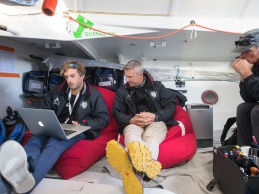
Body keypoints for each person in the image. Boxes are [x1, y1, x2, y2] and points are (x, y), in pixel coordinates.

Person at [0, 60, 109, 193]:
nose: (69, 80)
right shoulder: (56, 91)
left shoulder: (94, 95)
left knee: (54, 144)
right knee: (35, 140)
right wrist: (41, 120)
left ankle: (27, 185)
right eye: (66, 77)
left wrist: (84, 124)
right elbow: (43, 110)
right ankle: (25, 166)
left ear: (82, 75)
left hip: (77, 129)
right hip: (53, 125)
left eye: (72, 76)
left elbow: (103, 119)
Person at [106, 60, 178, 194]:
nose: (127, 80)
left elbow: (171, 106)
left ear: (140, 75)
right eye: (126, 76)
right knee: (131, 135)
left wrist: (155, 116)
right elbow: (117, 113)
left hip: (156, 121)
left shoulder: (158, 87)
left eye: (130, 77)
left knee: (150, 137)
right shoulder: (122, 91)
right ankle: (146, 168)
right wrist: (131, 119)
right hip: (134, 122)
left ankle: (135, 172)